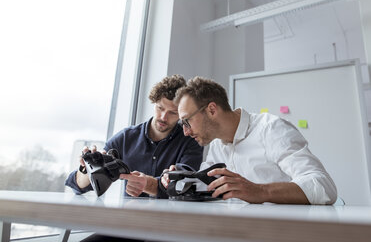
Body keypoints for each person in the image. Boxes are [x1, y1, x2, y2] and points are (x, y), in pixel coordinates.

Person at [164, 76, 337, 205]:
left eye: (187, 121)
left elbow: (323, 187)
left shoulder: (271, 129)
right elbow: (207, 187)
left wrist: (260, 191)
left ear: (211, 110)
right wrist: (181, 179)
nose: (185, 132)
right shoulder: (217, 144)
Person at [65, 74, 203, 199]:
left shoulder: (191, 141)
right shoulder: (126, 138)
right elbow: (78, 187)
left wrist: (148, 185)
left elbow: (186, 187)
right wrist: (88, 168)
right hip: (128, 221)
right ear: (154, 102)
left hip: (171, 222)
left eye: (172, 113)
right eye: (160, 108)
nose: (163, 117)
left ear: (181, 114)